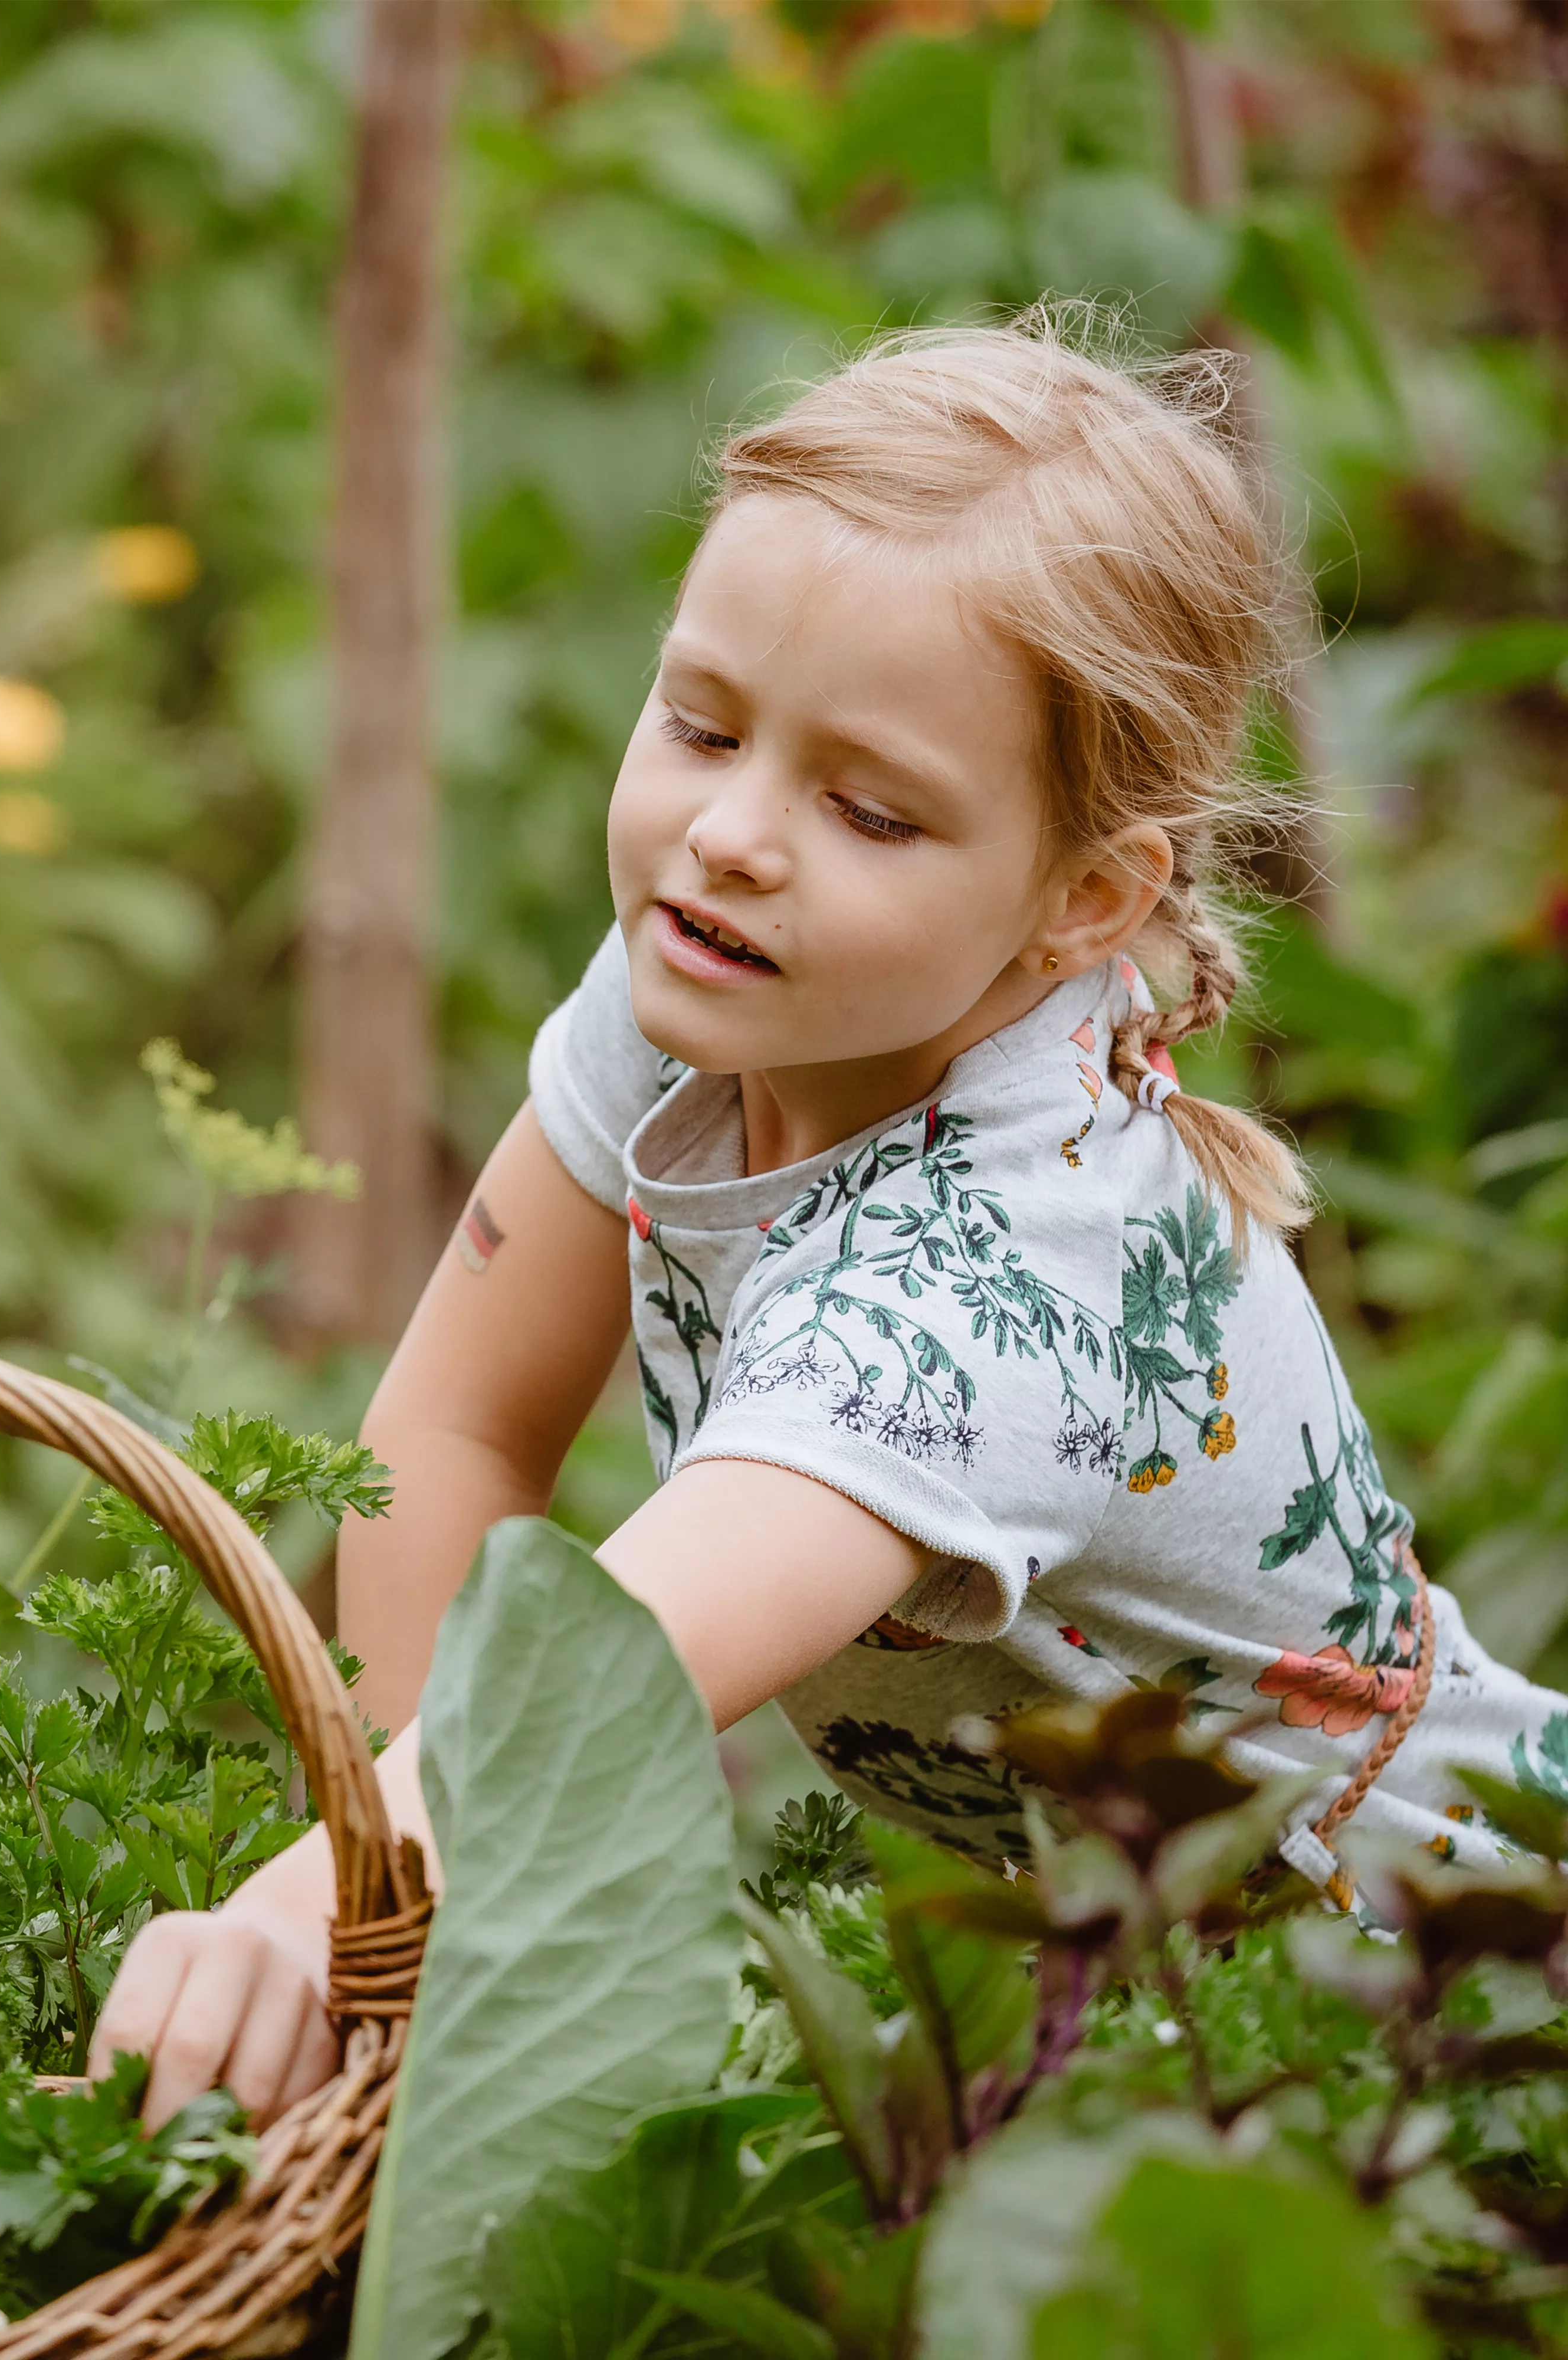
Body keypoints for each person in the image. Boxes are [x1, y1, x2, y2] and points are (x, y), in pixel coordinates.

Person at [91, 316, 1568, 2132]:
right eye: (701, 723)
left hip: (1456, 2013)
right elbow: (460, 1431)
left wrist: (334, 1900)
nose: (729, 836)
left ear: (1083, 898)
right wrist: (401, 1922)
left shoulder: (1008, 1282)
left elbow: (600, 1679)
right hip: (1146, 2013)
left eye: (869, 810)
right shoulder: (713, 990)